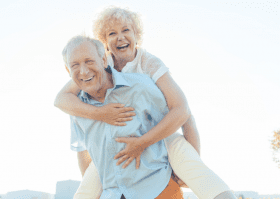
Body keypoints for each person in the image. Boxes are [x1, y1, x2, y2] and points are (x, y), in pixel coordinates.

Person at [55, 6, 237, 199]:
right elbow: (61, 99)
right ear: (104, 42)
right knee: (87, 189)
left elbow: (183, 112)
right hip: (117, 142)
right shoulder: (96, 65)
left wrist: (174, 162)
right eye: (112, 33)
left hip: (159, 132)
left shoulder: (148, 63)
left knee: (195, 169)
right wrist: (101, 114)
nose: (120, 37)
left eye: (126, 30)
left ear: (136, 35)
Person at [64, 35, 183, 199]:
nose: (83, 71)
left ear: (104, 61)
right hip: (112, 194)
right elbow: (84, 152)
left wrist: (143, 143)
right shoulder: (76, 107)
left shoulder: (140, 86)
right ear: (67, 70)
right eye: (75, 65)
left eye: (89, 61)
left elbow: (177, 116)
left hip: (157, 190)